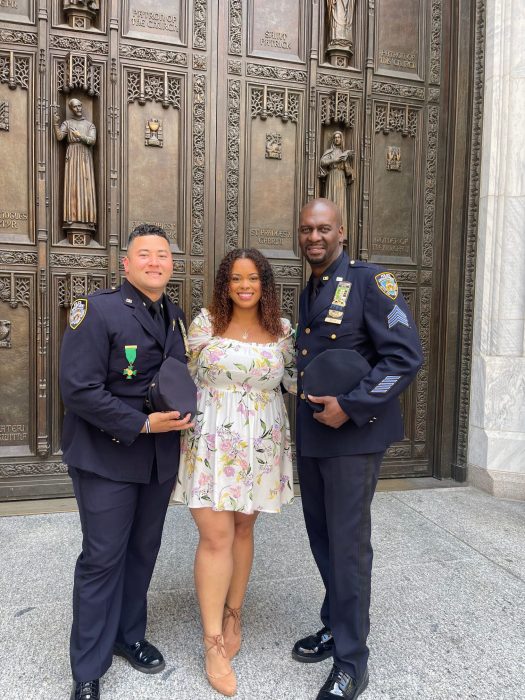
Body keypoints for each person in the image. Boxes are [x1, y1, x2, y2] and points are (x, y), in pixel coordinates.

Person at [292, 199, 423, 700]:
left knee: (347, 549)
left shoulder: (371, 282)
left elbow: (406, 355)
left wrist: (351, 405)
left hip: (353, 438)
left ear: (342, 232)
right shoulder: (313, 289)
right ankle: (335, 623)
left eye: (323, 228)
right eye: (306, 230)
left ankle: (352, 662)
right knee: (323, 541)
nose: (314, 237)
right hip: (315, 437)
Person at [60, 224, 193, 700]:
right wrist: (141, 425)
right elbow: (78, 390)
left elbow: (171, 378)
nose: (155, 262)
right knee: (102, 559)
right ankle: (88, 669)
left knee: (142, 551)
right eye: (145, 254)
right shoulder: (97, 310)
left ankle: (129, 634)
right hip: (106, 458)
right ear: (126, 264)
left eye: (163, 255)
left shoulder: (173, 316)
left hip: (156, 461)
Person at [173, 248, 296, 696]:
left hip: (260, 445)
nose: (245, 286)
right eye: (236, 279)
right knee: (215, 535)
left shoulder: (283, 331)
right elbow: (180, 375)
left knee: (242, 531)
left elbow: (300, 380)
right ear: (226, 284)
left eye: (253, 279)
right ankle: (211, 642)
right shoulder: (204, 324)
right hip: (210, 442)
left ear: (265, 284)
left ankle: (233, 614)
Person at [53, 98, 97, 228]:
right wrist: (55, 124)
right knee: (72, 184)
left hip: (84, 155)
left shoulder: (89, 125)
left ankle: (89, 218)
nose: (78, 109)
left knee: (86, 185)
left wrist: (80, 136)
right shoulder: (67, 123)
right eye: (75, 107)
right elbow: (60, 137)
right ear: (71, 109)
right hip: (72, 155)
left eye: (79, 106)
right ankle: (71, 216)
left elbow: (92, 140)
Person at [319, 131, 353, 238]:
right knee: (331, 201)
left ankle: (339, 233)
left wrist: (347, 162)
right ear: (333, 139)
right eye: (335, 137)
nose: (337, 139)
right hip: (332, 177)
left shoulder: (343, 152)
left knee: (340, 204)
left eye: (339, 137)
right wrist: (336, 159)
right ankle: (328, 230)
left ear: (341, 139)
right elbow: (323, 162)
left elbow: (348, 171)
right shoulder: (330, 151)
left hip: (341, 178)